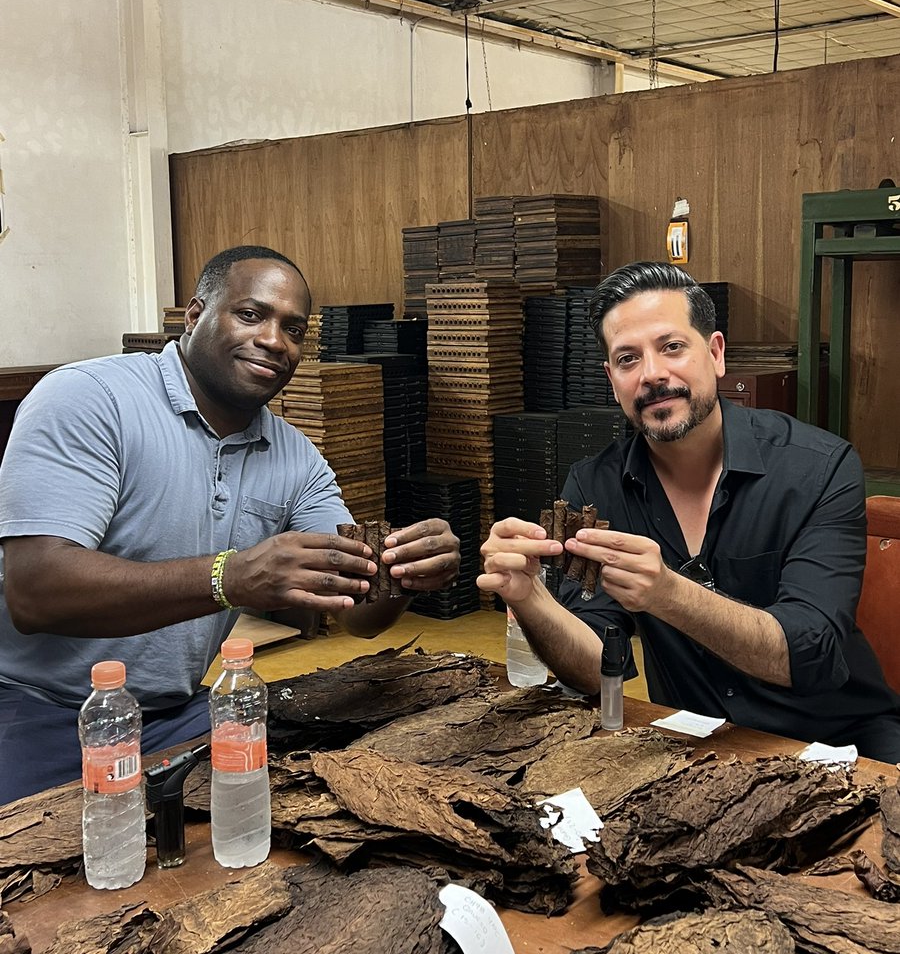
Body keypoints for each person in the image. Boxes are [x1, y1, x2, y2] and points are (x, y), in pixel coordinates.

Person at [0, 246, 460, 804]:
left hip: (174, 712)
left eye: (293, 329)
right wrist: (228, 578)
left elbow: (360, 617)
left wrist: (405, 575)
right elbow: (35, 591)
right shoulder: (90, 399)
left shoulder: (296, 458)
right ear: (194, 316)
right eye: (250, 315)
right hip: (31, 709)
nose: (274, 340)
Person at [479, 260, 900, 763]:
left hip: (841, 743)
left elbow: (810, 654)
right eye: (628, 358)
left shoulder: (819, 469)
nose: (653, 374)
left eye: (672, 347)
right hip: (698, 746)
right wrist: (529, 599)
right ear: (612, 379)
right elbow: (595, 665)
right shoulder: (595, 486)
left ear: (716, 353)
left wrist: (668, 593)